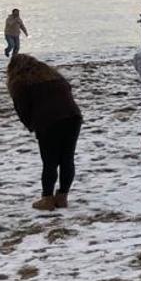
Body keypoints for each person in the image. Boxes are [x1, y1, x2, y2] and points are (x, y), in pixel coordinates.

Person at [6, 54, 83, 211]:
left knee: (50, 162)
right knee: (67, 158)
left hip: (48, 121)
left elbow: (22, 110)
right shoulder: (53, 75)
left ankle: (47, 198)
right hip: (73, 117)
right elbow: (68, 90)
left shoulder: (19, 82)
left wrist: (32, 126)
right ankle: (62, 197)